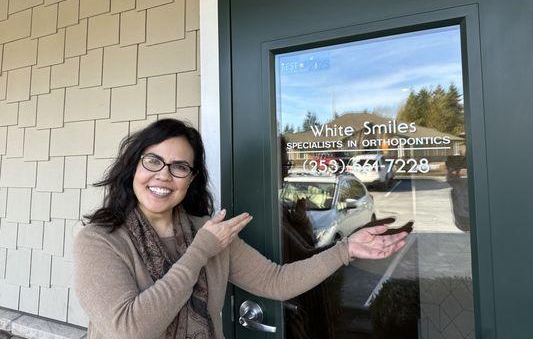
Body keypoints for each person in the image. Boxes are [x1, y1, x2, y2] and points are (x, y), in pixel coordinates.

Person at [73, 119, 408, 339]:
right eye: (153, 161)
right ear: (134, 166)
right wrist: (199, 252)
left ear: (190, 181)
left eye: (179, 167)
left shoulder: (208, 231)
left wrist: (345, 250)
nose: (163, 175)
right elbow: (131, 329)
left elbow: (276, 281)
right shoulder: (100, 240)